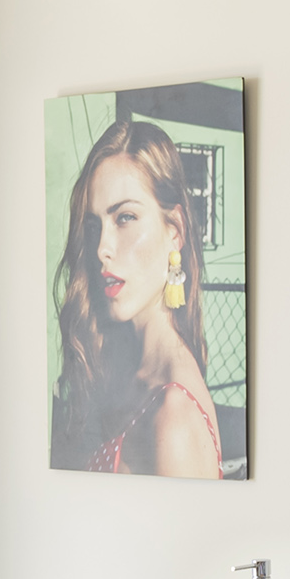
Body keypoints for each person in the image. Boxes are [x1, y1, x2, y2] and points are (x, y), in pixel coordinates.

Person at [48, 116, 223, 478]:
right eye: (94, 225)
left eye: (125, 217)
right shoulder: (128, 369)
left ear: (174, 231)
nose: (102, 249)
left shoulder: (174, 416)